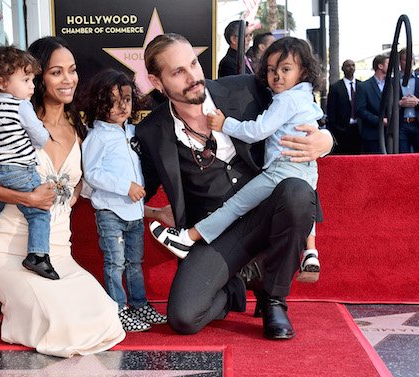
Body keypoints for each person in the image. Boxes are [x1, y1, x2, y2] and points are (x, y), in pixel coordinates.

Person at [135, 33, 333, 340]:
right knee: (184, 317)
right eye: (178, 72)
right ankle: (238, 282)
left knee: (296, 191)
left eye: (194, 64)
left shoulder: (245, 90)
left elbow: (301, 109)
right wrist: (152, 211)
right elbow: (137, 189)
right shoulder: (151, 131)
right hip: (217, 233)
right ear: (157, 82)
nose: (193, 77)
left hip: (268, 217)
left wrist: (327, 140)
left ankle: (274, 299)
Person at [0, 36, 125, 358]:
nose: (68, 79)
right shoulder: (12, 120)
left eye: (72, 70)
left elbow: (86, 183)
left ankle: (5, 300)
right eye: (56, 72)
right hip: (7, 249)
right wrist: (26, 199)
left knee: (106, 317)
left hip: (58, 253)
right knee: (63, 326)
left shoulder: (81, 128)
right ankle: (4, 293)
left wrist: (72, 193)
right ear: (36, 76)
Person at [81, 68, 168, 332]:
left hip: (134, 213)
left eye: (127, 100)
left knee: (135, 263)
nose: (122, 107)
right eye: (113, 101)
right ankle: (117, 310)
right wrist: (125, 186)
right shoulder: (97, 136)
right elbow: (91, 173)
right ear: (99, 103)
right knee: (115, 263)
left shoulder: (132, 132)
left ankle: (139, 305)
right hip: (110, 212)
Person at [0, 46, 59, 281]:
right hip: (18, 170)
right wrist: (41, 141)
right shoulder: (20, 106)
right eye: (25, 80)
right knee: (38, 211)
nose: (32, 86)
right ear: (2, 83)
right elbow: (38, 134)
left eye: (32, 80)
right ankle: (38, 255)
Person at [355, 54, 389, 154]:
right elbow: (360, 110)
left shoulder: (392, 84)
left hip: (390, 134)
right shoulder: (364, 86)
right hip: (372, 134)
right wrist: (380, 121)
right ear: (380, 66)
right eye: (388, 63)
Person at [326, 59, 361, 154]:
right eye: (348, 66)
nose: (351, 68)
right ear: (343, 68)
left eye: (353, 65)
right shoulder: (335, 87)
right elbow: (331, 110)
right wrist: (336, 128)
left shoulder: (361, 85)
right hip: (342, 129)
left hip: (359, 128)